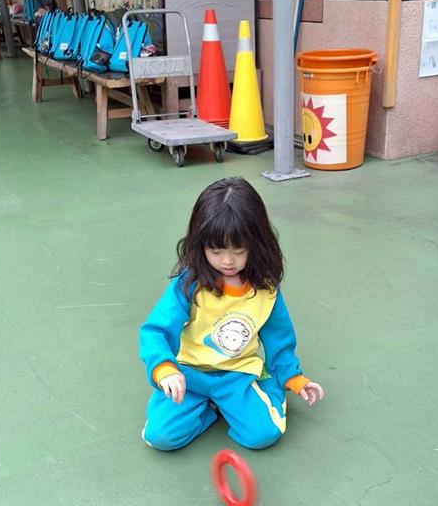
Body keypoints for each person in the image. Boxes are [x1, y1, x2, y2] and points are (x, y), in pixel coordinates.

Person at [139, 177, 324, 451]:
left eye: (238, 250)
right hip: (190, 374)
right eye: (216, 251)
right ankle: (210, 408)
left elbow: (279, 340)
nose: (227, 261)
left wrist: (292, 377)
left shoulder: (265, 289)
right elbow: (155, 331)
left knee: (264, 434)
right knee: (160, 437)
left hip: (238, 374)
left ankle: (262, 390)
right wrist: (165, 370)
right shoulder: (189, 284)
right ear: (200, 244)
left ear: (257, 243)